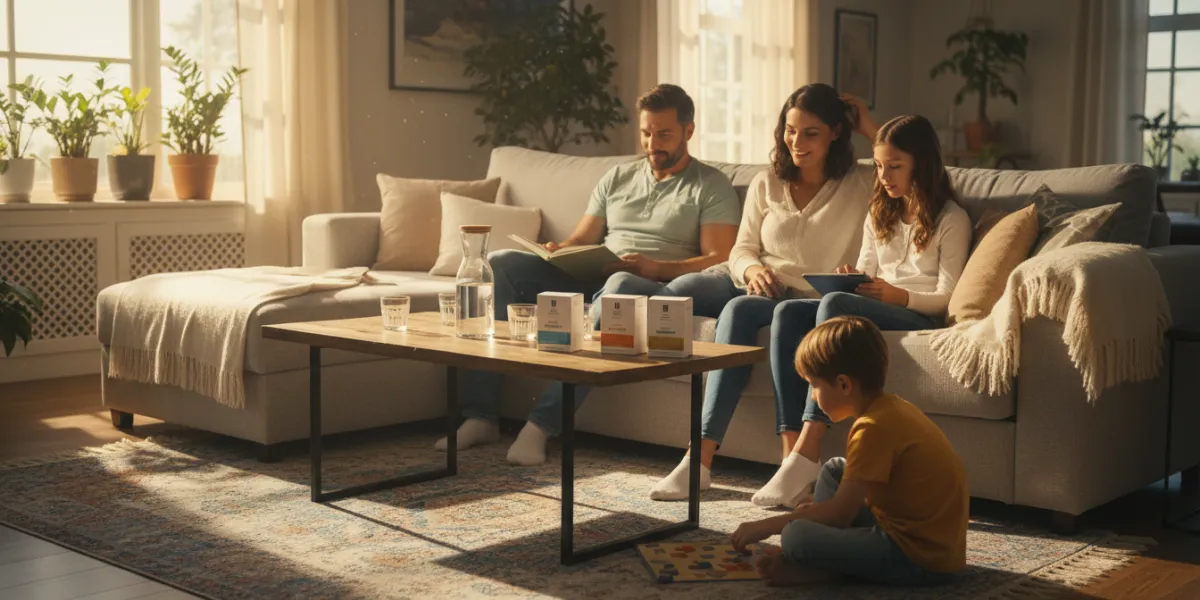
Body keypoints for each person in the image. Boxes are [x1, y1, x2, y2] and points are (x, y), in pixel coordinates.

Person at [435, 83, 742, 463]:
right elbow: (582, 238)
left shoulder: (710, 185)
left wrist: (657, 267)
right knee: (501, 264)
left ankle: (541, 426)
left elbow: (719, 257)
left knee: (619, 284)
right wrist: (559, 251)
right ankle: (480, 415)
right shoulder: (618, 177)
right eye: (646, 133)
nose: (652, 144)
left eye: (664, 134)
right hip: (597, 272)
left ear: (688, 131)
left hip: (649, 282)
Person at [648, 83, 879, 503]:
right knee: (737, 309)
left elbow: (915, 172)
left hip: (816, 299)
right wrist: (753, 270)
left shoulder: (862, 181)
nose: (797, 142)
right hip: (767, 290)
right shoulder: (767, 181)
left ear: (836, 133)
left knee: (778, 314)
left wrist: (869, 128)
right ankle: (698, 461)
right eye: (790, 131)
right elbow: (742, 249)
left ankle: (792, 463)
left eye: (810, 133)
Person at [747, 114, 971, 507]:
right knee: (789, 312)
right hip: (876, 302)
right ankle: (790, 455)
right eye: (879, 166)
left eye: (895, 166)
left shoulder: (951, 219)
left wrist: (898, 296)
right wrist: (851, 277)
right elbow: (867, 270)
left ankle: (808, 449)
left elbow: (946, 297)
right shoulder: (881, 211)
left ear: (922, 163)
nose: (884, 176)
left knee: (834, 304)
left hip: (917, 312)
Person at [730, 316, 968, 587]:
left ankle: (824, 568)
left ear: (844, 385)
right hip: (927, 539)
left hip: (918, 557)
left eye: (814, 385)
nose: (812, 396)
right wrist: (820, 512)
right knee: (834, 469)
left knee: (795, 535)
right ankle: (832, 556)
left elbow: (840, 513)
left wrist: (768, 525)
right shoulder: (892, 407)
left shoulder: (872, 428)